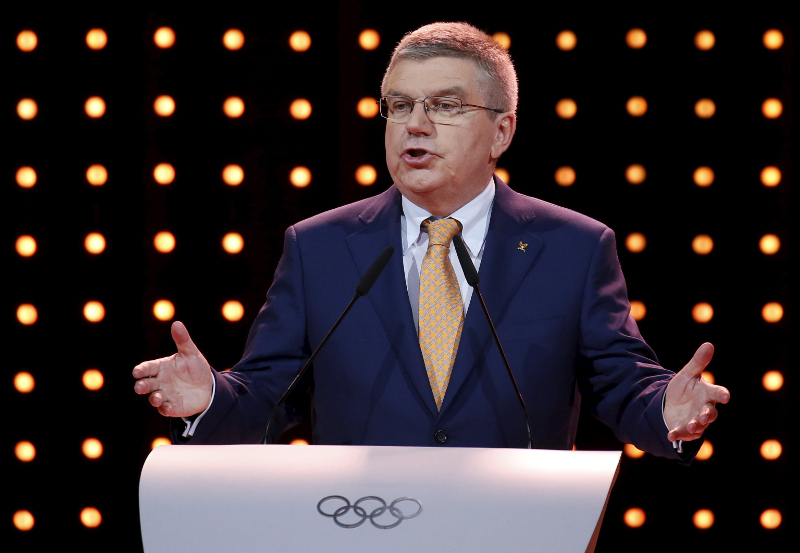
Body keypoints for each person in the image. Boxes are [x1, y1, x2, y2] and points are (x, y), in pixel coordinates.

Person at [133, 22, 729, 457]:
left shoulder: (572, 247)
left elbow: (620, 381)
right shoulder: (319, 248)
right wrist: (211, 397)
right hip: (362, 530)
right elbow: (269, 394)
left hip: (515, 533)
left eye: (444, 105)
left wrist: (666, 410)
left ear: (501, 132)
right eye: (398, 106)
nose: (414, 125)